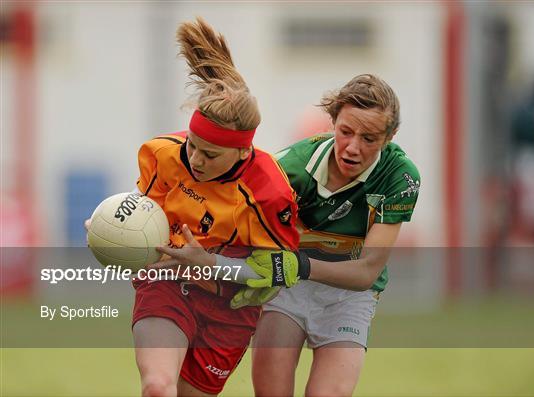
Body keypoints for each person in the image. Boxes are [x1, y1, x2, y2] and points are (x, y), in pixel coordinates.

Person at [188, 74, 418, 396]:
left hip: (347, 297)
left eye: (370, 138)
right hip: (287, 288)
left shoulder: (400, 177)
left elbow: (367, 271)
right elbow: (226, 209)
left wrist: (301, 264)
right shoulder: (290, 167)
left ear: (390, 136)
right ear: (332, 122)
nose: (353, 147)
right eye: (346, 132)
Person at [124, 18, 299, 397]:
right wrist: (111, 228)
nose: (196, 159)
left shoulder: (269, 191)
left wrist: (211, 263)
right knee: (157, 385)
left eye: (211, 154)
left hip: (228, 309)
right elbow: (143, 215)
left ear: (243, 151)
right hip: (167, 282)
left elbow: (281, 272)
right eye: (193, 145)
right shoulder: (163, 154)